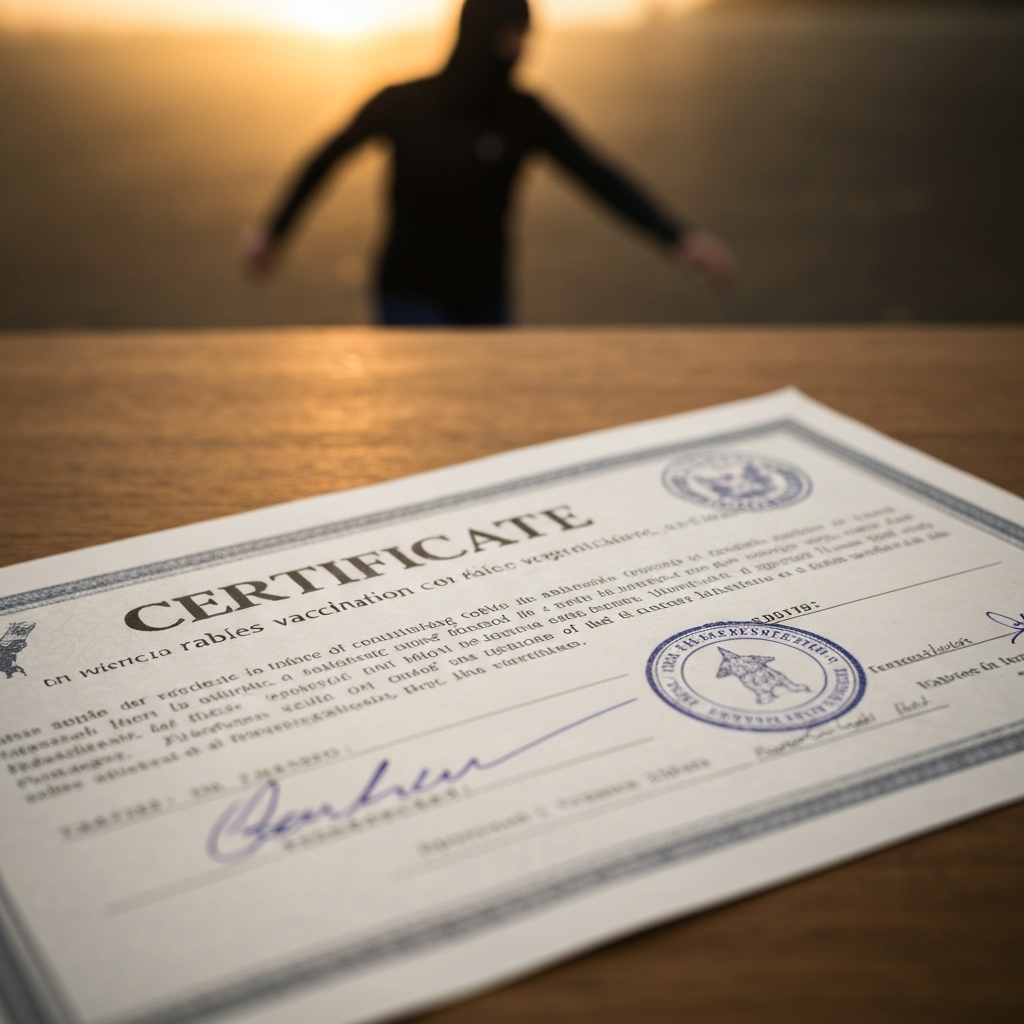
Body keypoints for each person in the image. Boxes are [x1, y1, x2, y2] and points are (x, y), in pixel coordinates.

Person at [242, 0, 735, 325]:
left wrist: (678, 238)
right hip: (408, 294)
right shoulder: (402, 102)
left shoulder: (524, 114)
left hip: (487, 299)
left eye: (524, 34)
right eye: (514, 34)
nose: (524, 48)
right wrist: (274, 232)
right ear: (484, 35)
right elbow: (326, 158)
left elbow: (600, 176)